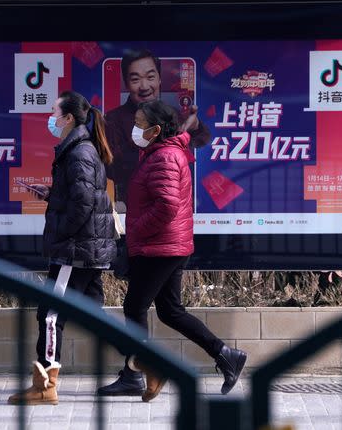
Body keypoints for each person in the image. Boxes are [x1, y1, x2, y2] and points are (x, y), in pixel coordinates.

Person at [98, 100, 247, 400]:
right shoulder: (159, 153)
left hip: (161, 246)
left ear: (155, 129)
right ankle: (226, 354)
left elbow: (166, 206)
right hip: (168, 245)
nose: (135, 128)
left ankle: (139, 372)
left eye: (140, 123)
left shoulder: (164, 156)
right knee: (169, 310)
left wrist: (136, 229)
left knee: (135, 308)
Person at [8, 91, 118, 406]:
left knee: (50, 314)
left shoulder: (79, 152)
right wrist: (52, 194)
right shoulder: (77, 148)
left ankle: (45, 385)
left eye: (55, 112)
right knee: (95, 314)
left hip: (76, 249)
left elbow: (83, 204)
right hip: (84, 248)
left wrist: (63, 235)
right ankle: (143, 362)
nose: (51, 119)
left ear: (68, 118)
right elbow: (78, 195)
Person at [105, 49, 211, 206]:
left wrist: (195, 126)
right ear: (126, 84)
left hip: (176, 204)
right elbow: (112, 169)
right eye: (135, 80)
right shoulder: (113, 119)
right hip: (132, 205)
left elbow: (201, 141)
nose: (144, 86)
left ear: (160, 79)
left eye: (150, 77)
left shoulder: (170, 113)